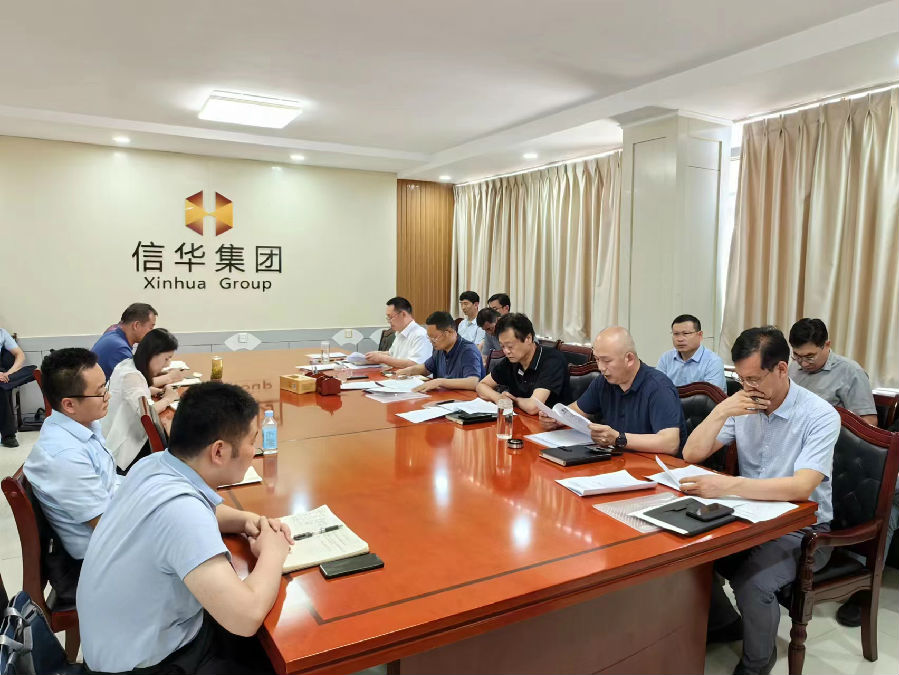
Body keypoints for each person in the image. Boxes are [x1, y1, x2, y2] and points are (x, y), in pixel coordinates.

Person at [77, 381, 292, 674]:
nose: (255, 450)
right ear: (219, 451)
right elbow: (246, 617)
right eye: (252, 441)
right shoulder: (181, 513)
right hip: (149, 666)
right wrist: (273, 553)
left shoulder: (155, 464)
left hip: (118, 645)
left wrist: (245, 520)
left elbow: (201, 508)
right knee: (274, 653)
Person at [682, 326, 839, 675]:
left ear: (782, 368)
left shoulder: (819, 415)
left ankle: (756, 663)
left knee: (753, 584)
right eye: (741, 379)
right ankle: (726, 624)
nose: (747, 387)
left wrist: (730, 486)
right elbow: (691, 453)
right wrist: (721, 411)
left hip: (804, 529)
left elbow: (802, 487)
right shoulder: (744, 404)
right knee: (690, 554)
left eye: (754, 378)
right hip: (749, 515)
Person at [23, 348, 120, 563]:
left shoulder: (80, 423)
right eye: (100, 392)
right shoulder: (65, 457)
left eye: (105, 386)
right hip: (101, 559)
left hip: (114, 525)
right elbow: (108, 527)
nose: (108, 396)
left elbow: (109, 481)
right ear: (69, 404)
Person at [539, 327, 686, 454]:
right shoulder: (604, 382)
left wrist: (618, 438)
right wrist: (556, 418)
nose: (601, 368)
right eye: (597, 359)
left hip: (652, 466)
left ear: (629, 359)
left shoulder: (658, 387)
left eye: (607, 361)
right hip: (617, 459)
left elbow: (670, 443)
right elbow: (576, 410)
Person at [103, 328, 180, 471]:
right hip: (125, 449)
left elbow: (127, 396)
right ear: (152, 354)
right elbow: (146, 415)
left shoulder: (127, 364)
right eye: (166, 358)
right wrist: (168, 399)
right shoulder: (132, 376)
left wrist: (149, 391)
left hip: (113, 435)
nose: (168, 364)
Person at [787, 318, 877, 426]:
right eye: (797, 355)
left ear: (827, 345)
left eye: (810, 356)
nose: (804, 363)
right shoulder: (794, 367)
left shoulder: (851, 372)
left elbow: (869, 422)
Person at [476, 313, 569, 414]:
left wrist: (513, 400)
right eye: (502, 346)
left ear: (528, 338)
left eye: (510, 346)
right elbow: (481, 385)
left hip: (549, 421)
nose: (506, 351)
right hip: (520, 417)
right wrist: (498, 398)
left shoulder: (552, 360)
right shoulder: (511, 360)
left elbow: (534, 407)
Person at [396, 311, 485, 392]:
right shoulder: (440, 350)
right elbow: (426, 368)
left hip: (464, 400)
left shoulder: (468, 350)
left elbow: (473, 382)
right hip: (444, 397)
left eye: (434, 337)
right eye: (429, 337)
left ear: (448, 333)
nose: (431, 341)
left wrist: (440, 382)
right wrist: (407, 371)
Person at [655, 314, 726, 391]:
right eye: (676, 334)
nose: (680, 339)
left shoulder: (713, 362)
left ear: (700, 335)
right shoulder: (666, 358)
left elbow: (711, 395)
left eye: (685, 333)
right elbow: (656, 388)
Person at [364, 297, 432, 368]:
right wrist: (375, 355)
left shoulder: (420, 335)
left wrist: (383, 358)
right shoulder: (399, 332)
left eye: (390, 317)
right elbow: (392, 354)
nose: (389, 321)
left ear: (403, 314)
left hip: (412, 375)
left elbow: (416, 364)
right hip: (397, 373)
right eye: (388, 318)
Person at [0, 327, 33, 447]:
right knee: (1, 388)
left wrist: (8, 373)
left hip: (3, 373)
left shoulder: (2, 333)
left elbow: (20, 355)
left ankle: (5, 382)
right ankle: (8, 436)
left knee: (32, 370)